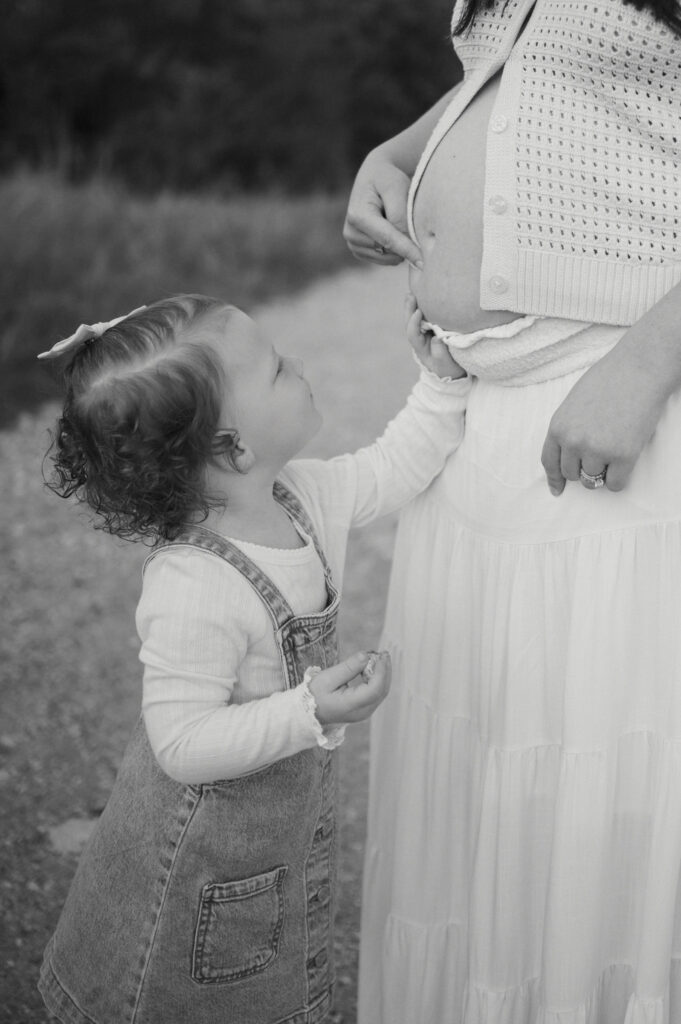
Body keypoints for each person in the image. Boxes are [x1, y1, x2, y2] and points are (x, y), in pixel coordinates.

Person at [344, 1, 681, 1022]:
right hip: (478, 415)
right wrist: (397, 151)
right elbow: (530, 68)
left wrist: (647, 361)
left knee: (597, 794)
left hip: (613, 404)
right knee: (484, 772)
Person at [35, 292, 470, 1024]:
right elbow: (180, 743)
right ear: (233, 447)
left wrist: (441, 383)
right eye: (274, 370)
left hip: (265, 853)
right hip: (198, 865)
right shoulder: (195, 583)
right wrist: (305, 712)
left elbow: (392, 468)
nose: (295, 365)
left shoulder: (298, 496)